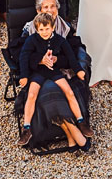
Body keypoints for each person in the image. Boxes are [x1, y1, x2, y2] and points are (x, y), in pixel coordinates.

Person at [16, 12, 91, 148]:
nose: (44, 32)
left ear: (53, 27)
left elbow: (70, 56)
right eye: (41, 29)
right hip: (38, 72)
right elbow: (24, 57)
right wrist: (24, 76)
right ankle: (27, 129)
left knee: (69, 92)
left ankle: (81, 121)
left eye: (47, 28)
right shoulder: (32, 40)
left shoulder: (60, 40)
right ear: (37, 29)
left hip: (54, 71)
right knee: (32, 95)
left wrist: (78, 70)